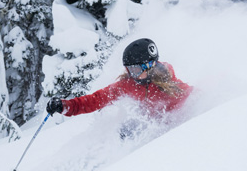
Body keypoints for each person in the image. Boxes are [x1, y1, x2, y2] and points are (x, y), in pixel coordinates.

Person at [45, 38, 193, 121]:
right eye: (129, 70)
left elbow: (195, 99)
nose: (132, 75)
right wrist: (66, 105)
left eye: (135, 70)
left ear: (149, 66)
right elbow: (96, 99)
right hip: (144, 125)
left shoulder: (170, 87)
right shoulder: (128, 84)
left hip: (168, 130)